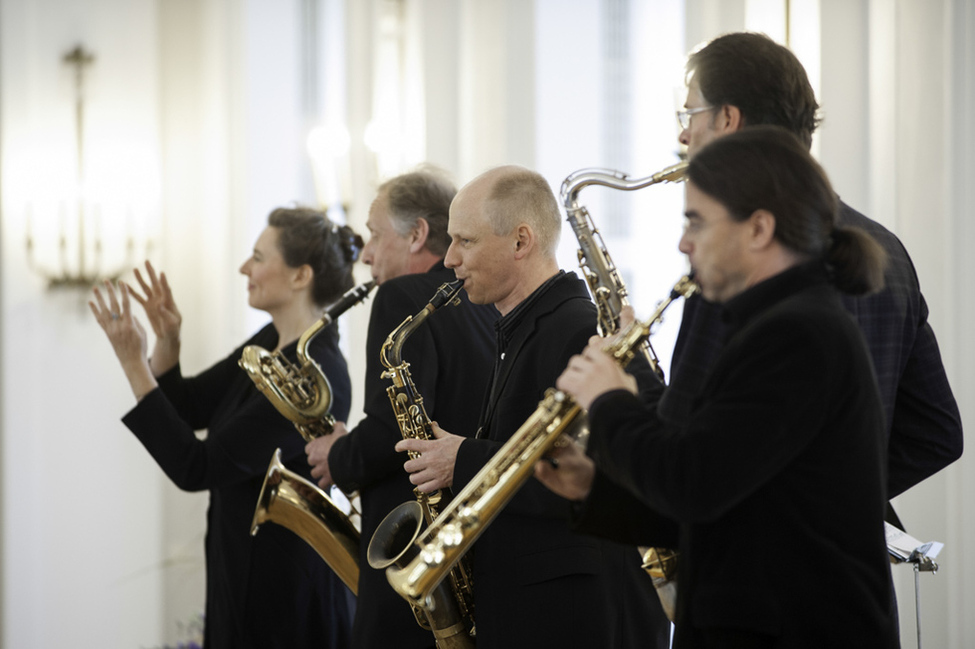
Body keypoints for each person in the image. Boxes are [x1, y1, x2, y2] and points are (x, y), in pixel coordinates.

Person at [536, 126, 900, 647]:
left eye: (696, 221)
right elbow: (722, 497)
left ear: (758, 229)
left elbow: (693, 479)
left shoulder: (797, 333)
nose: (684, 242)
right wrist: (593, 485)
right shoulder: (771, 325)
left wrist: (610, 398)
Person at [662, 31, 962, 503]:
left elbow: (683, 436)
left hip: (745, 566)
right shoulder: (889, 250)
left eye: (690, 113)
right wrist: (837, 501)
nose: (683, 133)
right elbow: (935, 434)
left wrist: (624, 387)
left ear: (727, 119)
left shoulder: (732, 253)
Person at [397, 165, 668, 649]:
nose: (451, 259)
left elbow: (601, 475)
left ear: (521, 241)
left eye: (466, 241)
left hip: (576, 618)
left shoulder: (578, 328)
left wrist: (461, 459)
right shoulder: (519, 329)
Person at [89, 208, 361, 649]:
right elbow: (189, 408)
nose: (244, 268)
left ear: (300, 276)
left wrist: (132, 363)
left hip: (283, 584)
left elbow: (196, 467)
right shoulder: (269, 344)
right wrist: (168, 341)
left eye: (257, 257)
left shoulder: (315, 376)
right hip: (241, 564)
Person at [304, 169, 497, 649]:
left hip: (412, 559)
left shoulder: (401, 297)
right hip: (473, 558)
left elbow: (395, 431)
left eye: (374, 234)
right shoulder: (486, 302)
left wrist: (339, 455)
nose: (366, 253)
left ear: (417, 235)